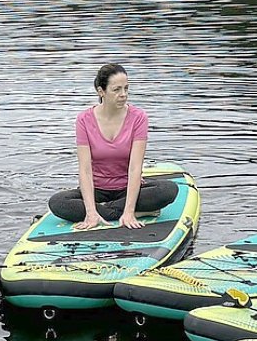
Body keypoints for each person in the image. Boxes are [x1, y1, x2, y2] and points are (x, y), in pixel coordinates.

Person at [48, 63, 178, 231]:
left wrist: (130, 212)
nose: (123, 95)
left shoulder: (138, 117)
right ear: (101, 92)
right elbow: (85, 169)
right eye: (116, 90)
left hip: (128, 189)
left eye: (126, 88)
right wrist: (90, 211)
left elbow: (135, 168)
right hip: (97, 190)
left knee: (167, 190)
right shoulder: (84, 120)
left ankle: (114, 210)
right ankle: (134, 211)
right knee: (58, 202)